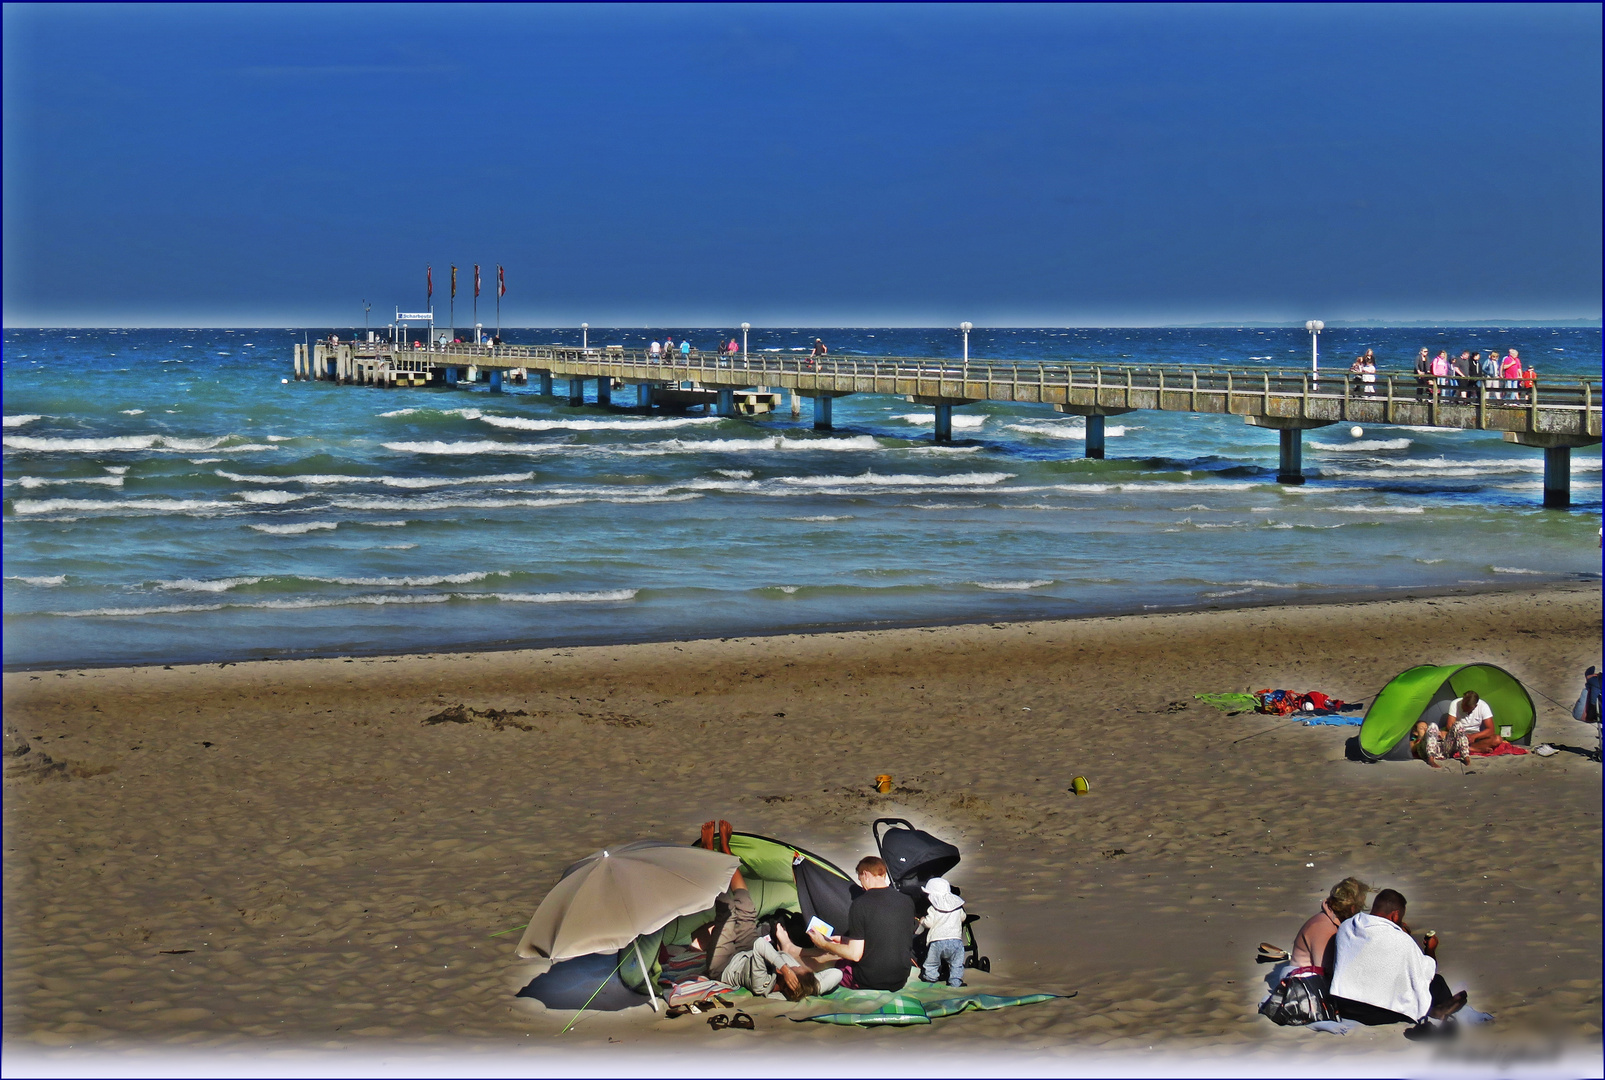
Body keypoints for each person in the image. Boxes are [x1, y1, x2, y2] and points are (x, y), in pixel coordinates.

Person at [1328, 889, 1467, 1026]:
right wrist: (1430, 949)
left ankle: (1435, 1010)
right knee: (1436, 982)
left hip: (1345, 1006)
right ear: (1395, 916)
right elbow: (1426, 973)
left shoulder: (1347, 927)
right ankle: (1434, 1010)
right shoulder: (1401, 940)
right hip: (1379, 1012)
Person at [808, 855, 916, 991]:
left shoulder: (860, 904)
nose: (862, 886)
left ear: (865, 874)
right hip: (900, 978)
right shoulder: (906, 901)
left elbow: (855, 954)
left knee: (831, 961)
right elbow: (883, 937)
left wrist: (823, 944)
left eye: (860, 880)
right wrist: (844, 939)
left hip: (870, 981)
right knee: (838, 952)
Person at [719, 911, 842, 1000]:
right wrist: (813, 989)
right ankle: (787, 947)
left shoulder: (761, 983)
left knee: (726, 914)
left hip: (726, 965)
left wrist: (785, 968)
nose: (796, 966)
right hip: (748, 954)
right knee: (746, 908)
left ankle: (788, 947)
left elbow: (760, 944)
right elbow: (837, 973)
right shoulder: (800, 988)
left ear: (788, 980)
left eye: (795, 969)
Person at [1290, 876, 1370, 978]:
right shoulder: (1323, 928)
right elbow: (1326, 971)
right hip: (1303, 980)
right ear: (1353, 908)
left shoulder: (1330, 921)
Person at [1412, 689, 1499, 766]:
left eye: (1425, 727)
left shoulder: (1483, 706)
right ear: (1415, 732)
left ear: (1474, 706)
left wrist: (1474, 736)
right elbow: (1449, 726)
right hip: (1457, 736)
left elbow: (1491, 730)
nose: (1463, 709)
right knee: (1437, 725)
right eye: (1421, 728)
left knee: (1497, 739)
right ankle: (1431, 759)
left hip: (1470, 737)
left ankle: (1466, 754)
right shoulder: (1455, 703)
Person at [917, 877, 967, 986]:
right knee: (956, 963)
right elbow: (963, 917)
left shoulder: (933, 908)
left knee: (932, 963)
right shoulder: (957, 907)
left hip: (937, 941)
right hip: (956, 941)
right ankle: (955, 981)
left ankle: (931, 977)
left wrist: (923, 921)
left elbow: (929, 923)